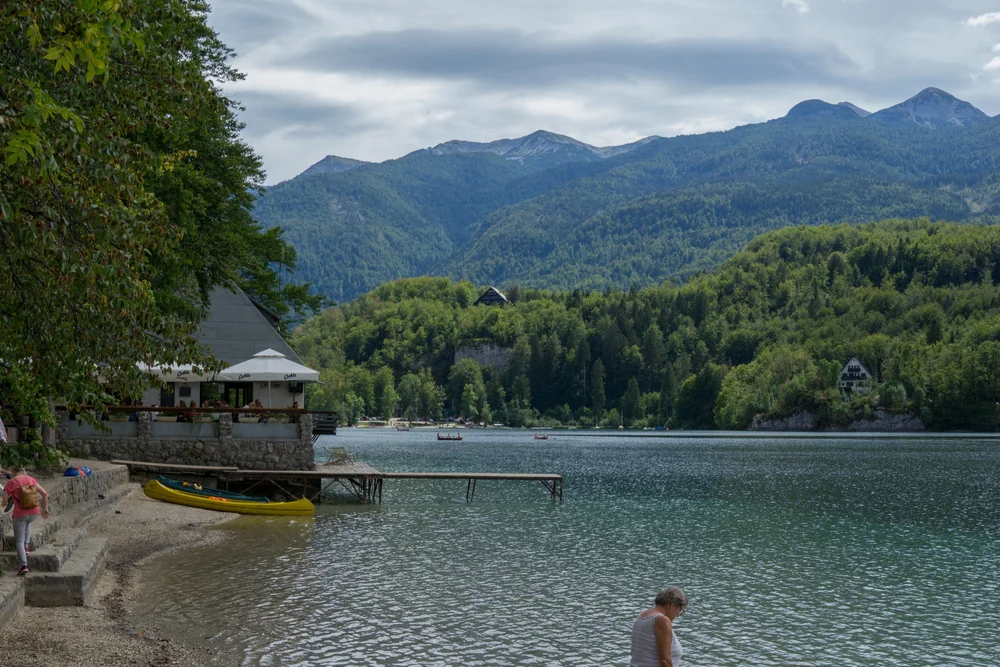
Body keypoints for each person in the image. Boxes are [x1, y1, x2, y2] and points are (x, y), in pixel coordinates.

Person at [2, 469, 51, 575]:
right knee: (28, 523)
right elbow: (45, 493)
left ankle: (24, 565)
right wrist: (45, 509)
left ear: (14, 473)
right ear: (23, 472)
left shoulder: (11, 482)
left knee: (18, 540)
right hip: (34, 512)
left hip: (20, 514)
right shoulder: (31, 479)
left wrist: (8, 500)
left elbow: (4, 502)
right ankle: (26, 546)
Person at [630, 586, 688, 667]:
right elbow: (665, 661)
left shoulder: (642, 615)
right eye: (680, 610)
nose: (678, 615)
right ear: (672, 605)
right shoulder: (662, 620)